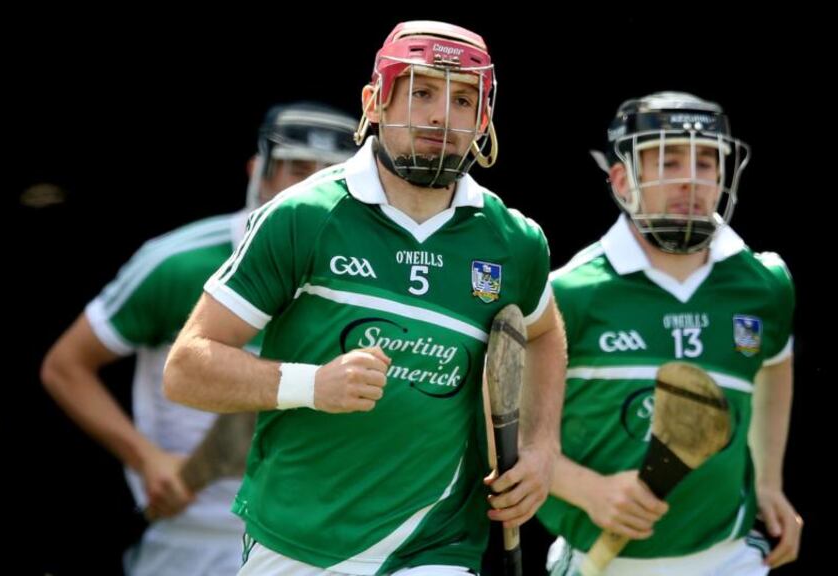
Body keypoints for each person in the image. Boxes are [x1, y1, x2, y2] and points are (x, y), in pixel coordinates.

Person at [163, 20, 567, 576]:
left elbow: (543, 334)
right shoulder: (304, 216)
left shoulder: (514, 241)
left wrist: (543, 448)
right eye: (422, 92)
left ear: (483, 120)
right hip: (296, 539)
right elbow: (186, 369)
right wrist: (312, 385)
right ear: (374, 103)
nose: (441, 116)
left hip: (436, 546)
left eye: (463, 99)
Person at [40, 102, 357, 575]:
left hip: (317, 543)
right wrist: (146, 458)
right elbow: (65, 367)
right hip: (187, 542)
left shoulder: (372, 289)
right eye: (297, 170)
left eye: (331, 176)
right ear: (258, 172)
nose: (311, 190)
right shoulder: (179, 262)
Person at [538, 91, 802, 575]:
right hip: (603, 563)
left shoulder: (764, 285)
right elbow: (504, 432)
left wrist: (768, 482)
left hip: (731, 559)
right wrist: (587, 490)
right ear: (623, 180)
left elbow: (774, 365)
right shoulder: (568, 292)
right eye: (668, 160)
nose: (690, 179)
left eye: (706, 162)